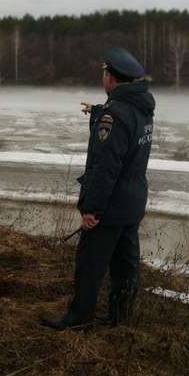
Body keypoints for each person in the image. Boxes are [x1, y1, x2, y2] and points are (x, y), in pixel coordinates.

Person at [42, 46, 155, 330]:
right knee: (125, 264)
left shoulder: (114, 116)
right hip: (133, 200)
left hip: (111, 206)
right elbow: (124, 133)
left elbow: (106, 168)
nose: (103, 77)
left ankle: (78, 318)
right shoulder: (141, 107)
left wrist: (92, 209)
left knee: (91, 264)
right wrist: (98, 112)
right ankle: (121, 315)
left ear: (110, 77)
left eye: (104, 73)